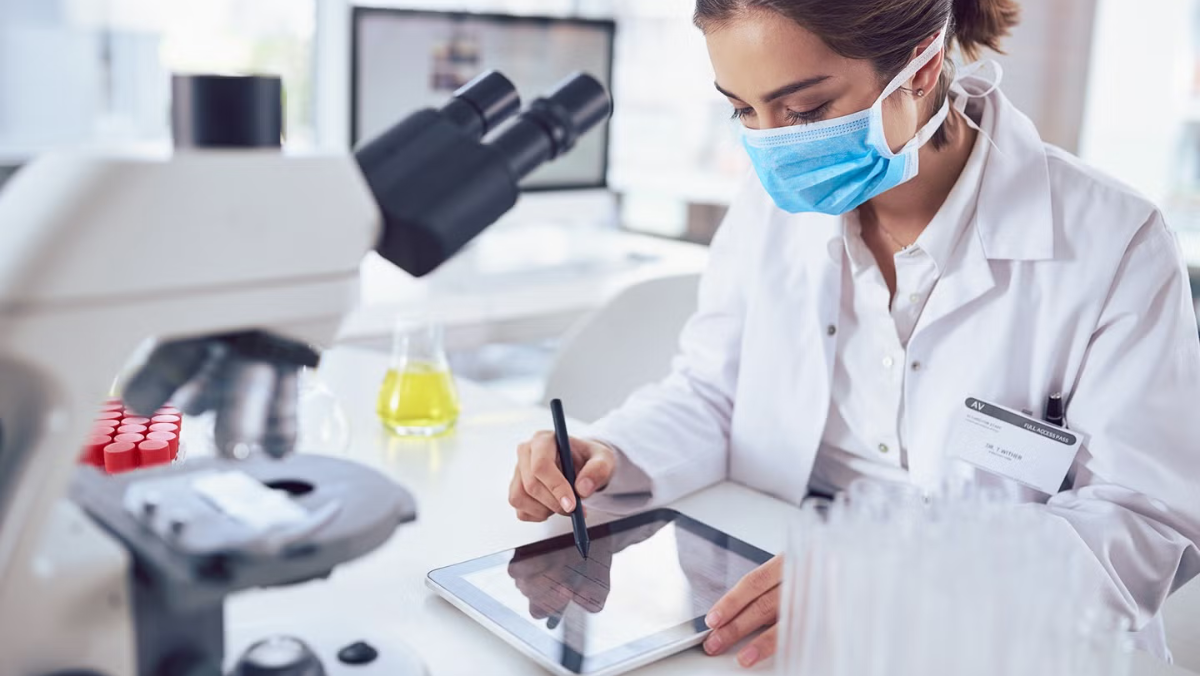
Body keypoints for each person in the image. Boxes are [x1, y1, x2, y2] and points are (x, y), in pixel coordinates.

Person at [509, 0, 1200, 667]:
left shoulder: (1114, 242)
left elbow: (1142, 529)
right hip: (768, 607)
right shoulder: (774, 205)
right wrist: (610, 450)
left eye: (806, 110)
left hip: (996, 637)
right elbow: (713, 394)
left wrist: (879, 574)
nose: (773, 144)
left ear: (922, 68)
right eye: (742, 109)